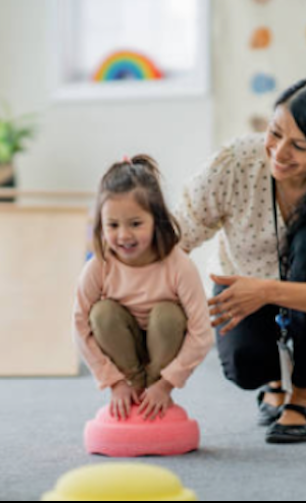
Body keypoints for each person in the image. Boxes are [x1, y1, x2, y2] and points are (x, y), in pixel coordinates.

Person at [175, 76, 306, 444]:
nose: (278, 152)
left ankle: (303, 396)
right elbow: (178, 234)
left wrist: (268, 291)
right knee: (244, 368)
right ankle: (276, 380)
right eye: (275, 133)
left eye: (299, 146)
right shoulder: (236, 161)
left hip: (305, 291)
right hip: (239, 285)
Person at [74, 155, 214, 421]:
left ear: (156, 220)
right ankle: (135, 388)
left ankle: (151, 389)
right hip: (124, 354)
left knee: (167, 314)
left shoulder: (179, 265)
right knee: (102, 312)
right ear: (101, 226)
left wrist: (165, 385)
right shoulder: (98, 266)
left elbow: (202, 333)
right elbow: (79, 327)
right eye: (112, 225)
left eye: (135, 224)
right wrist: (116, 383)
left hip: (164, 352)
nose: (124, 235)